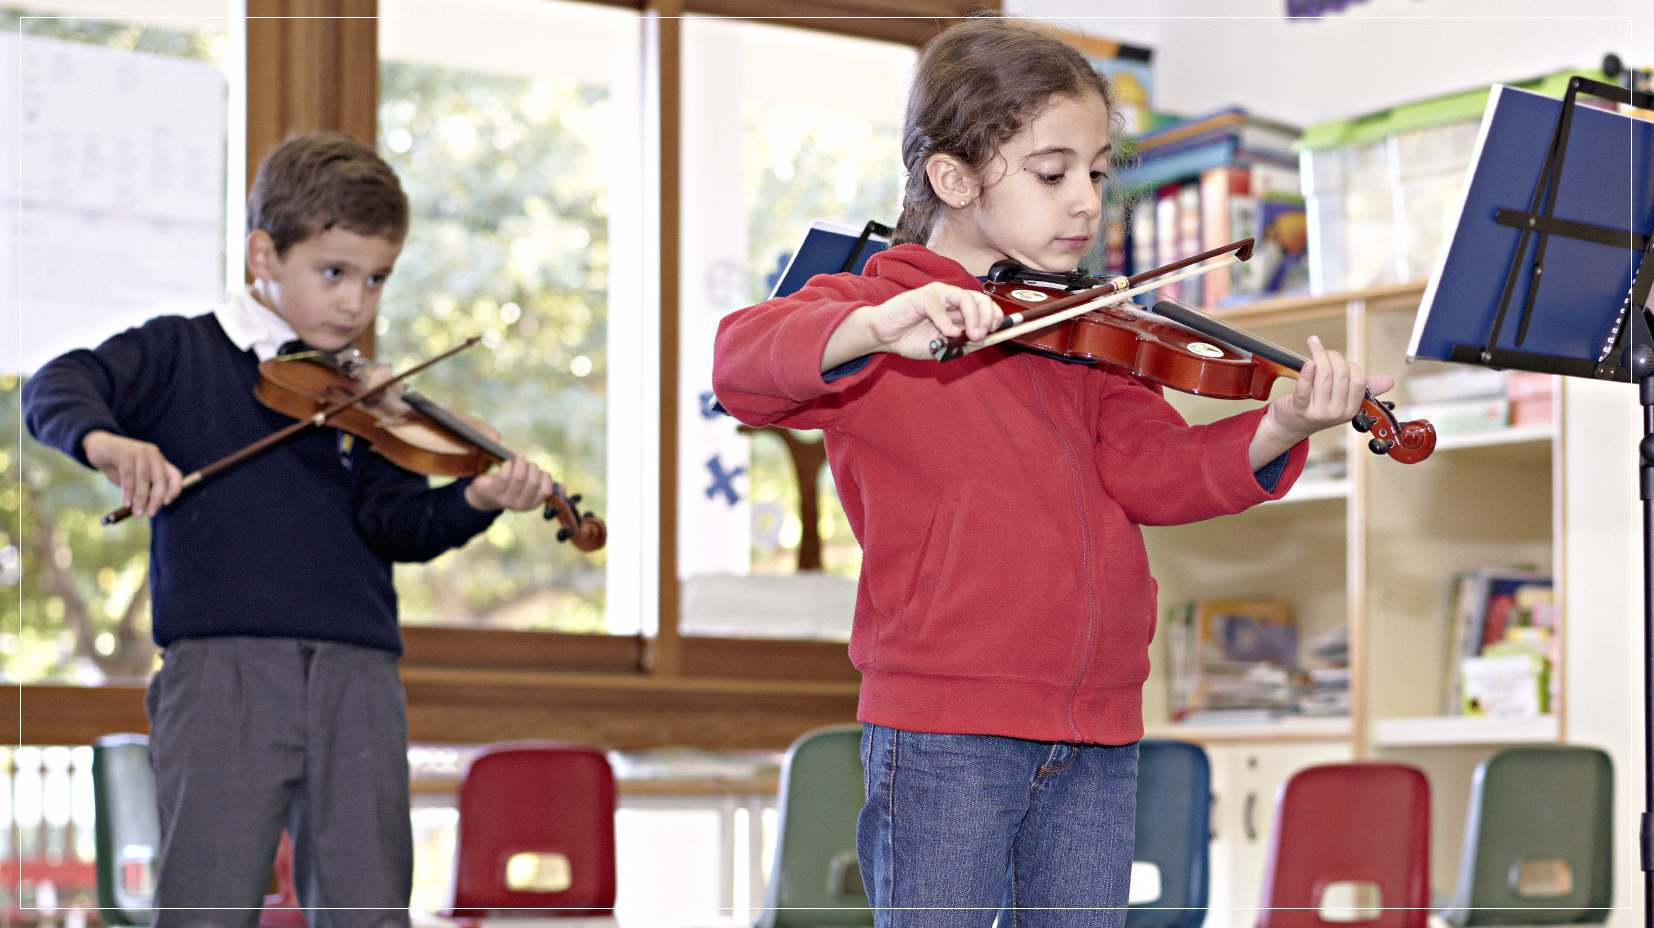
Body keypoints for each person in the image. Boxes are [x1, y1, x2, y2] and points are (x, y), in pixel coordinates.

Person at [711, 17, 1394, 928]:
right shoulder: (874, 307)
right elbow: (741, 363)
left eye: (1099, 172)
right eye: (1052, 172)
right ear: (951, 177)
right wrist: (877, 326)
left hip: (1099, 728)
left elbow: (1153, 471)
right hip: (946, 727)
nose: (1086, 202)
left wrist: (1277, 424)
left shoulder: (1085, 331)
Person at [24, 132, 558, 928]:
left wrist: (476, 501)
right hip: (222, 678)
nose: (355, 303)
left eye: (376, 279)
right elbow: (57, 383)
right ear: (263, 254)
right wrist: (108, 442)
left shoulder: (366, 396)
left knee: (369, 907)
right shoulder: (182, 351)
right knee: (207, 907)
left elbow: (397, 525)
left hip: (358, 679)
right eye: (334, 273)